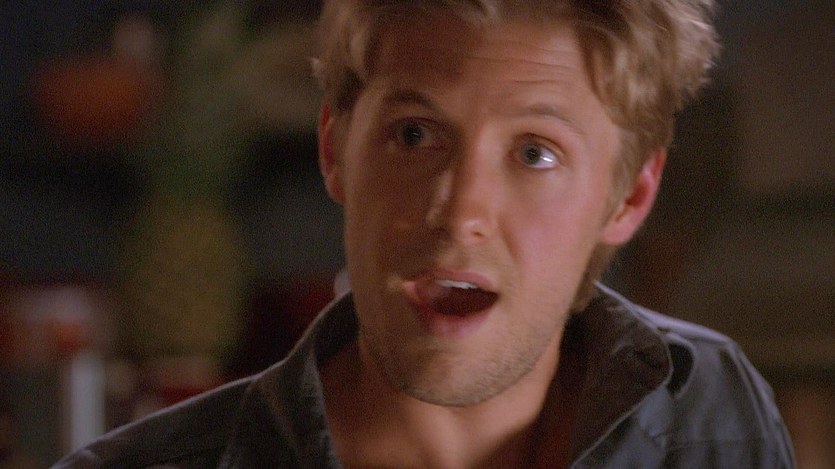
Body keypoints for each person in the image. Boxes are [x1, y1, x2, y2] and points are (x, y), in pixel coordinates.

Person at [55, 1, 796, 467]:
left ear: (628, 195)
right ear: (335, 149)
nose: (458, 208)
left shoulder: (706, 408)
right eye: (414, 134)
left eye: (535, 153)